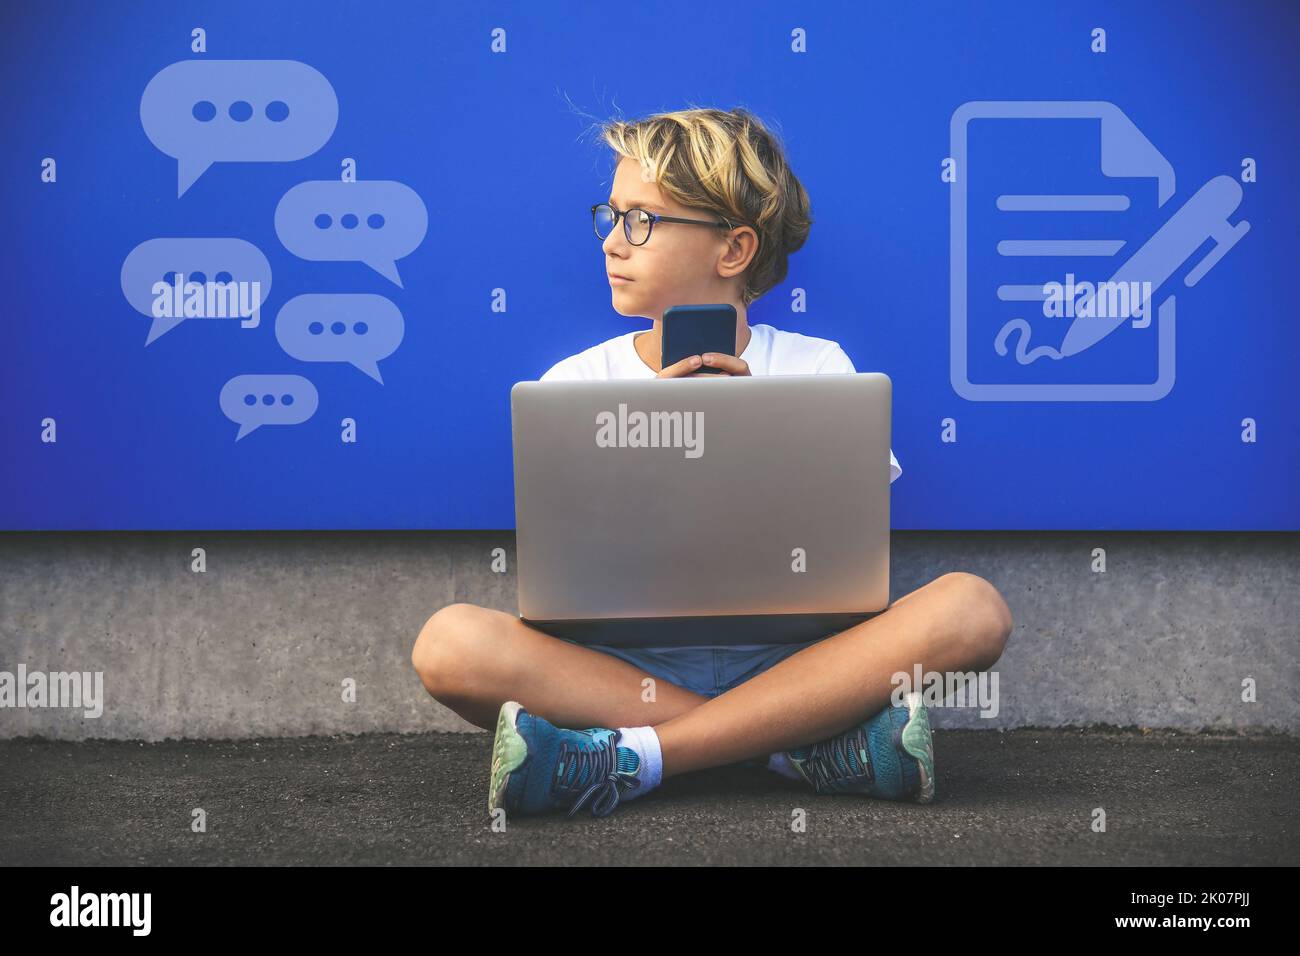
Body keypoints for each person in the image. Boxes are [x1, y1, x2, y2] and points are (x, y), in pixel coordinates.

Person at [412, 106, 1013, 820]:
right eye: (611, 215)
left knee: (973, 610)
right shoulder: (574, 384)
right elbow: (567, 571)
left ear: (732, 251)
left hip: (797, 661)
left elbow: (843, 548)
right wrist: (641, 451)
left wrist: (755, 437)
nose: (612, 241)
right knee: (448, 645)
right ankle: (795, 751)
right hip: (624, 667)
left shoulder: (817, 367)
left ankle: (633, 758)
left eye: (641, 221)